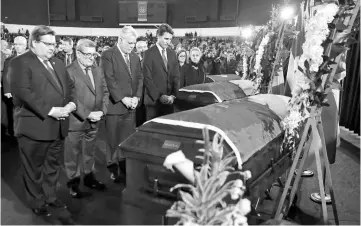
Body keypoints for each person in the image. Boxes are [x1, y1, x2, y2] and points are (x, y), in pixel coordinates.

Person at [9, 25, 76, 216]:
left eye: (54, 44)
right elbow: (23, 92)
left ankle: (51, 197)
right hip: (35, 127)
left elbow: (71, 88)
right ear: (35, 43)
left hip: (59, 126)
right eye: (48, 44)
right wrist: (51, 110)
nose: (52, 48)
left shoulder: (58, 63)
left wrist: (71, 104)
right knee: (34, 170)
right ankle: (37, 202)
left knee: (53, 167)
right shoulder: (20, 62)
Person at [65, 39, 109, 198]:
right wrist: (87, 114)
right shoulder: (69, 71)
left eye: (94, 54)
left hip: (95, 120)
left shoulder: (97, 70)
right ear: (78, 53)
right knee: (72, 155)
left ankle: (89, 177)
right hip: (76, 121)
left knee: (89, 152)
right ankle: (73, 183)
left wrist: (102, 111)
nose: (92, 58)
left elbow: (105, 92)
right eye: (88, 55)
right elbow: (69, 98)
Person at [101, 26, 143, 183]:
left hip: (131, 106)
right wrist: (123, 98)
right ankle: (112, 166)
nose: (132, 46)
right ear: (120, 40)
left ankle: (125, 166)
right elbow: (109, 79)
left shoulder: (135, 57)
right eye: (130, 43)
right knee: (113, 139)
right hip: (115, 106)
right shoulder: (108, 55)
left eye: (134, 43)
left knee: (127, 139)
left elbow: (140, 78)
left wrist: (137, 97)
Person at [143, 23, 180, 120]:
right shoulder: (148, 54)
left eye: (170, 39)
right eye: (166, 39)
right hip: (153, 102)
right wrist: (159, 96)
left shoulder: (173, 54)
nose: (168, 42)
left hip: (170, 102)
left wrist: (173, 95)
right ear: (158, 36)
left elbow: (176, 76)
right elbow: (147, 78)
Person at [2, 36, 28, 137]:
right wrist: (7, 90)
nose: (17, 47)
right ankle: (14, 132)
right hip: (13, 92)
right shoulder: (9, 60)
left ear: (26, 46)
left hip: (27, 91)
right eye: (15, 44)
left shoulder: (31, 59)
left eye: (20, 44)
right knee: (13, 112)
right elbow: (6, 76)